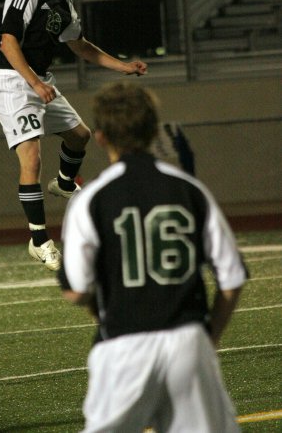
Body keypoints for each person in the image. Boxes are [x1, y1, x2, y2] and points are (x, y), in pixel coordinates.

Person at [59, 81, 248, 432]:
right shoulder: (189, 189)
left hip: (123, 346)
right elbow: (232, 278)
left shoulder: (91, 199)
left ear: (100, 137)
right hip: (188, 342)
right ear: (151, 131)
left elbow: (76, 289)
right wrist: (208, 338)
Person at [0, 0, 148, 271]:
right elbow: (8, 42)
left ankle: (62, 183)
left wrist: (123, 66)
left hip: (39, 81)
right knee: (31, 157)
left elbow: (80, 45)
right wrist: (34, 83)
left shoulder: (65, 4)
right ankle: (39, 241)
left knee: (79, 135)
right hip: (13, 82)